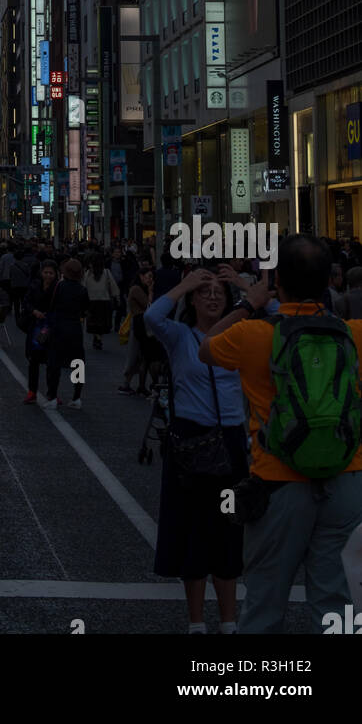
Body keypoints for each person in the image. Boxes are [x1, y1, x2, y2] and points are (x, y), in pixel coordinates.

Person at [199, 234, 362, 634]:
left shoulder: (254, 335)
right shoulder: (353, 333)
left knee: (265, 602)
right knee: (335, 603)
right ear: (330, 281)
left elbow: (206, 348)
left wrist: (249, 302)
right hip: (345, 477)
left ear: (278, 283)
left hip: (277, 482)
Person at [145, 268, 247, 635]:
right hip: (190, 440)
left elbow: (278, 314)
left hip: (233, 440)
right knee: (191, 529)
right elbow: (151, 316)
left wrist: (243, 286)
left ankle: (229, 619)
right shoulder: (179, 336)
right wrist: (184, 284)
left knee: (228, 529)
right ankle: (196, 621)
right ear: (192, 300)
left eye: (219, 292)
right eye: (204, 293)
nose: (213, 297)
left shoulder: (240, 334)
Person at [21, 261, 61, 405]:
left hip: (52, 328)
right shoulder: (34, 286)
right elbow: (26, 303)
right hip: (36, 327)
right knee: (34, 360)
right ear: (41, 272)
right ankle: (32, 391)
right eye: (46, 272)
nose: (48, 275)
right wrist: (34, 311)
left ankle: (52, 393)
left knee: (52, 362)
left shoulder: (58, 288)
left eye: (51, 273)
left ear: (56, 274)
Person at [53, 259, 89, 409]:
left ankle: (53, 395)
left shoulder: (60, 286)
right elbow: (86, 309)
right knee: (78, 363)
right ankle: (77, 396)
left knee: (55, 362)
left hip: (60, 326)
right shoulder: (82, 290)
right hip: (75, 327)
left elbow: (53, 304)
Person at [118, 266, 154, 397]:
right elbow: (149, 306)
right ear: (141, 276)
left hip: (142, 324)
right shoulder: (136, 289)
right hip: (139, 324)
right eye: (148, 276)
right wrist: (150, 292)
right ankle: (125, 384)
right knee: (134, 355)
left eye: (151, 277)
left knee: (141, 356)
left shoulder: (139, 288)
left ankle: (141, 385)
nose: (150, 279)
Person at [84, 253, 119, 350]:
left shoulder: (88, 274)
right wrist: (116, 297)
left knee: (93, 323)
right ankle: (99, 339)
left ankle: (97, 338)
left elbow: (83, 287)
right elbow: (113, 286)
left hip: (91, 302)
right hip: (104, 301)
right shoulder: (106, 272)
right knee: (102, 323)